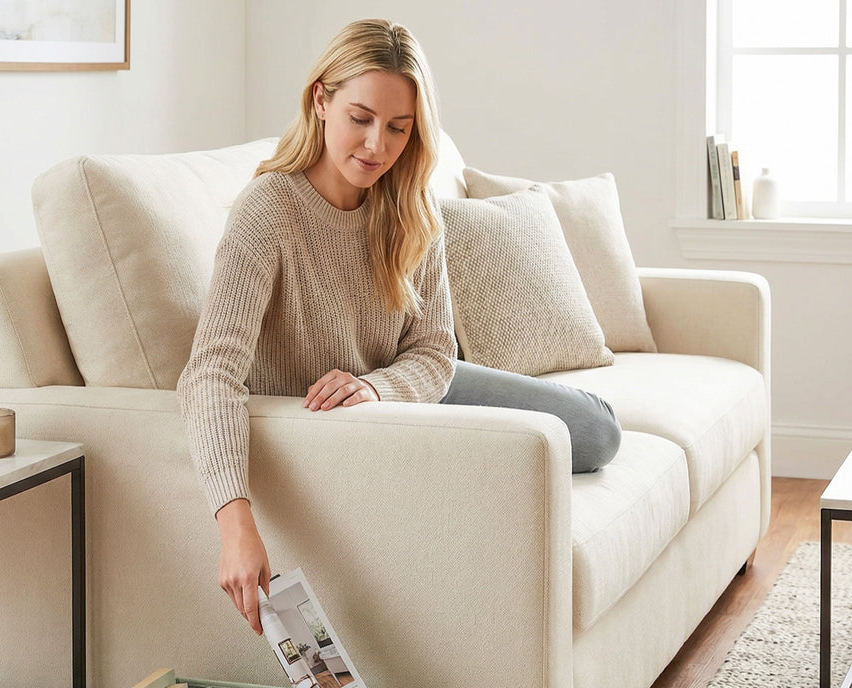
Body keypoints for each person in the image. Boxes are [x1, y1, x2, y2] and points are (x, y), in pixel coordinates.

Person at [178, 18, 621, 635]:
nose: (376, 146)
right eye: (360, 118)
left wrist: (378, 386)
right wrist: (235, 522)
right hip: (341, 417)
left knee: (596, 431)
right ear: (321, 101)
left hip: (397, 385)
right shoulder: (269, 211)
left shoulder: (410, 205)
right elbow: (209, 373)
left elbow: (434, 350)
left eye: (397, 128)